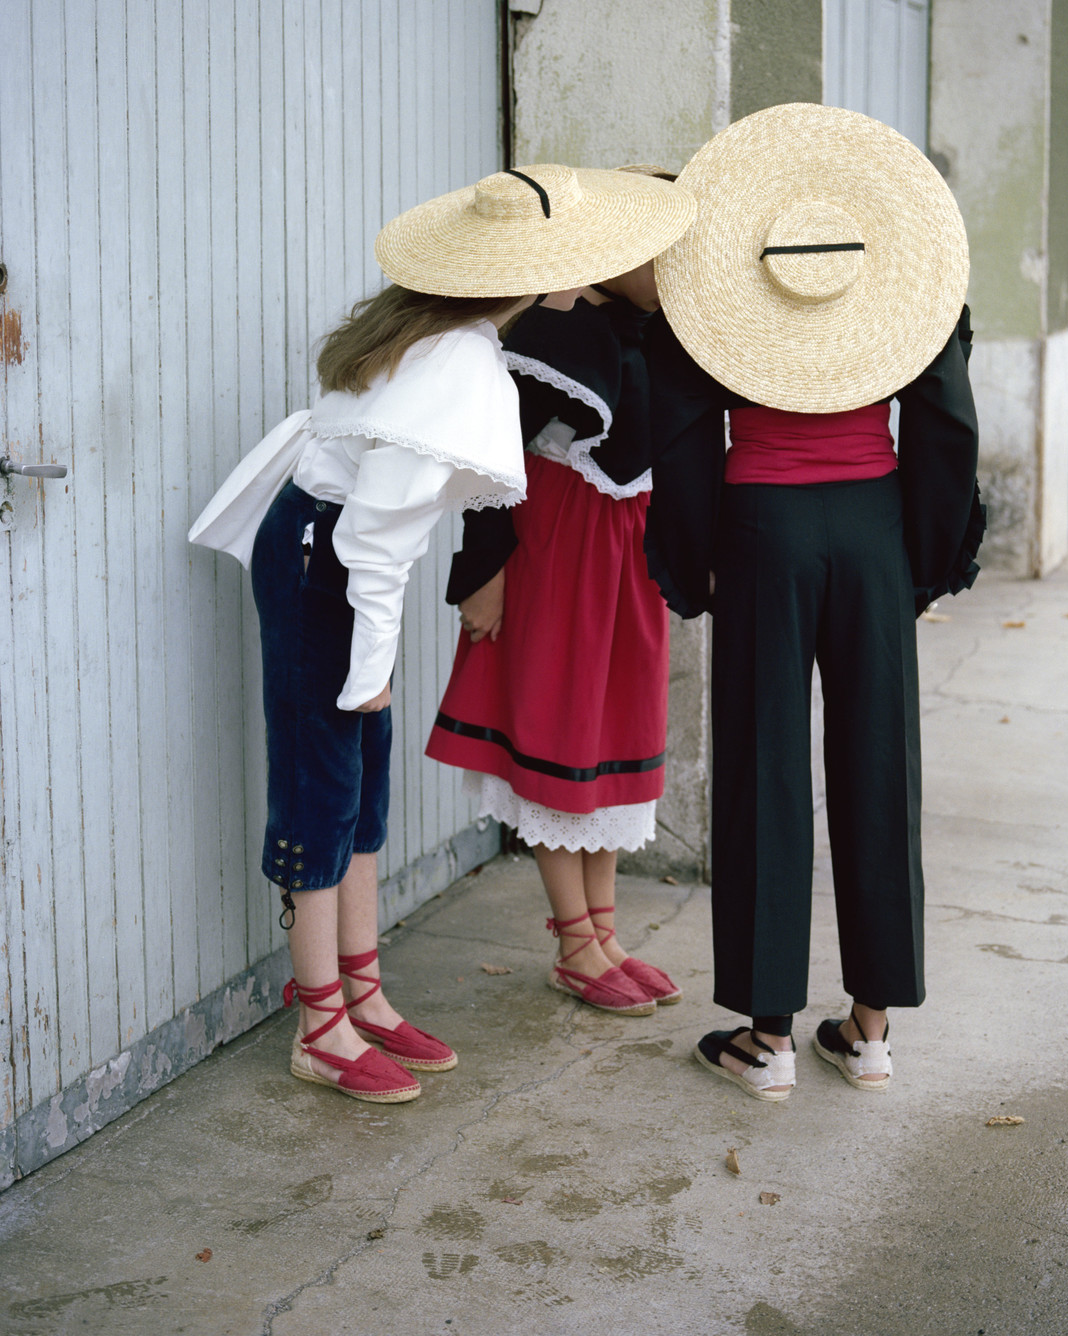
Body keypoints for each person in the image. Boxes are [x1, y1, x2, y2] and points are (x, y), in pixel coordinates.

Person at [188, 163, 694, 1103]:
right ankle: (320, 1025)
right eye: (578, 259)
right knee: (322, 788)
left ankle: (364, 997)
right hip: (322, 564)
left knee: (361, 790)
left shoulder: (436, 331)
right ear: (534, 276)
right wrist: (369, 673)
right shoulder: (461, 366)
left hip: (321, 547)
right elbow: (372, 544)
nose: (592, 274)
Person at [644, 105, 986, 1100]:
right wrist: (923, 558)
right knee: (879, 761)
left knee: (763, 766)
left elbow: (679, 433)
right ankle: (869, 1028)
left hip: (762, 530)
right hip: (871, 527)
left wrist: (694, 557)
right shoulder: (905, 286)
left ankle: (764, 1037)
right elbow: (943, 424)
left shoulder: (712, 294)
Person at [426, 167, 696, 1014]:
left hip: (623, 557)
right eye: (660, 255)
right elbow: (488, 461)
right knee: (558, 723)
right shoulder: (547, 328)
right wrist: (486, 573)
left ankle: (604, 930)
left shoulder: (646, 329)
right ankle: (575, 941)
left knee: (614, 727)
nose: (673, 273)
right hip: (556, 550)